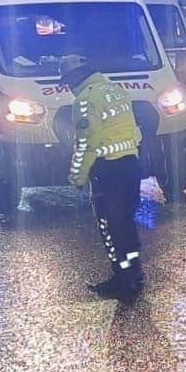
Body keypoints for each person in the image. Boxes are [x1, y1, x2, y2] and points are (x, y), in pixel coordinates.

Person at [60, 55, 145, 301]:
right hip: (131, 164)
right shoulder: (116, 90)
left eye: (68, 81)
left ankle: (123, 280)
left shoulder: (85, 101)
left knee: (110, 226)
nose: (68, 86)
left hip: (108, 170)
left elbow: (87, 144)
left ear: (77, 75)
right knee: (126, 222)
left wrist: (77, 176)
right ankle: (134, 271)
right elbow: (133, 130)